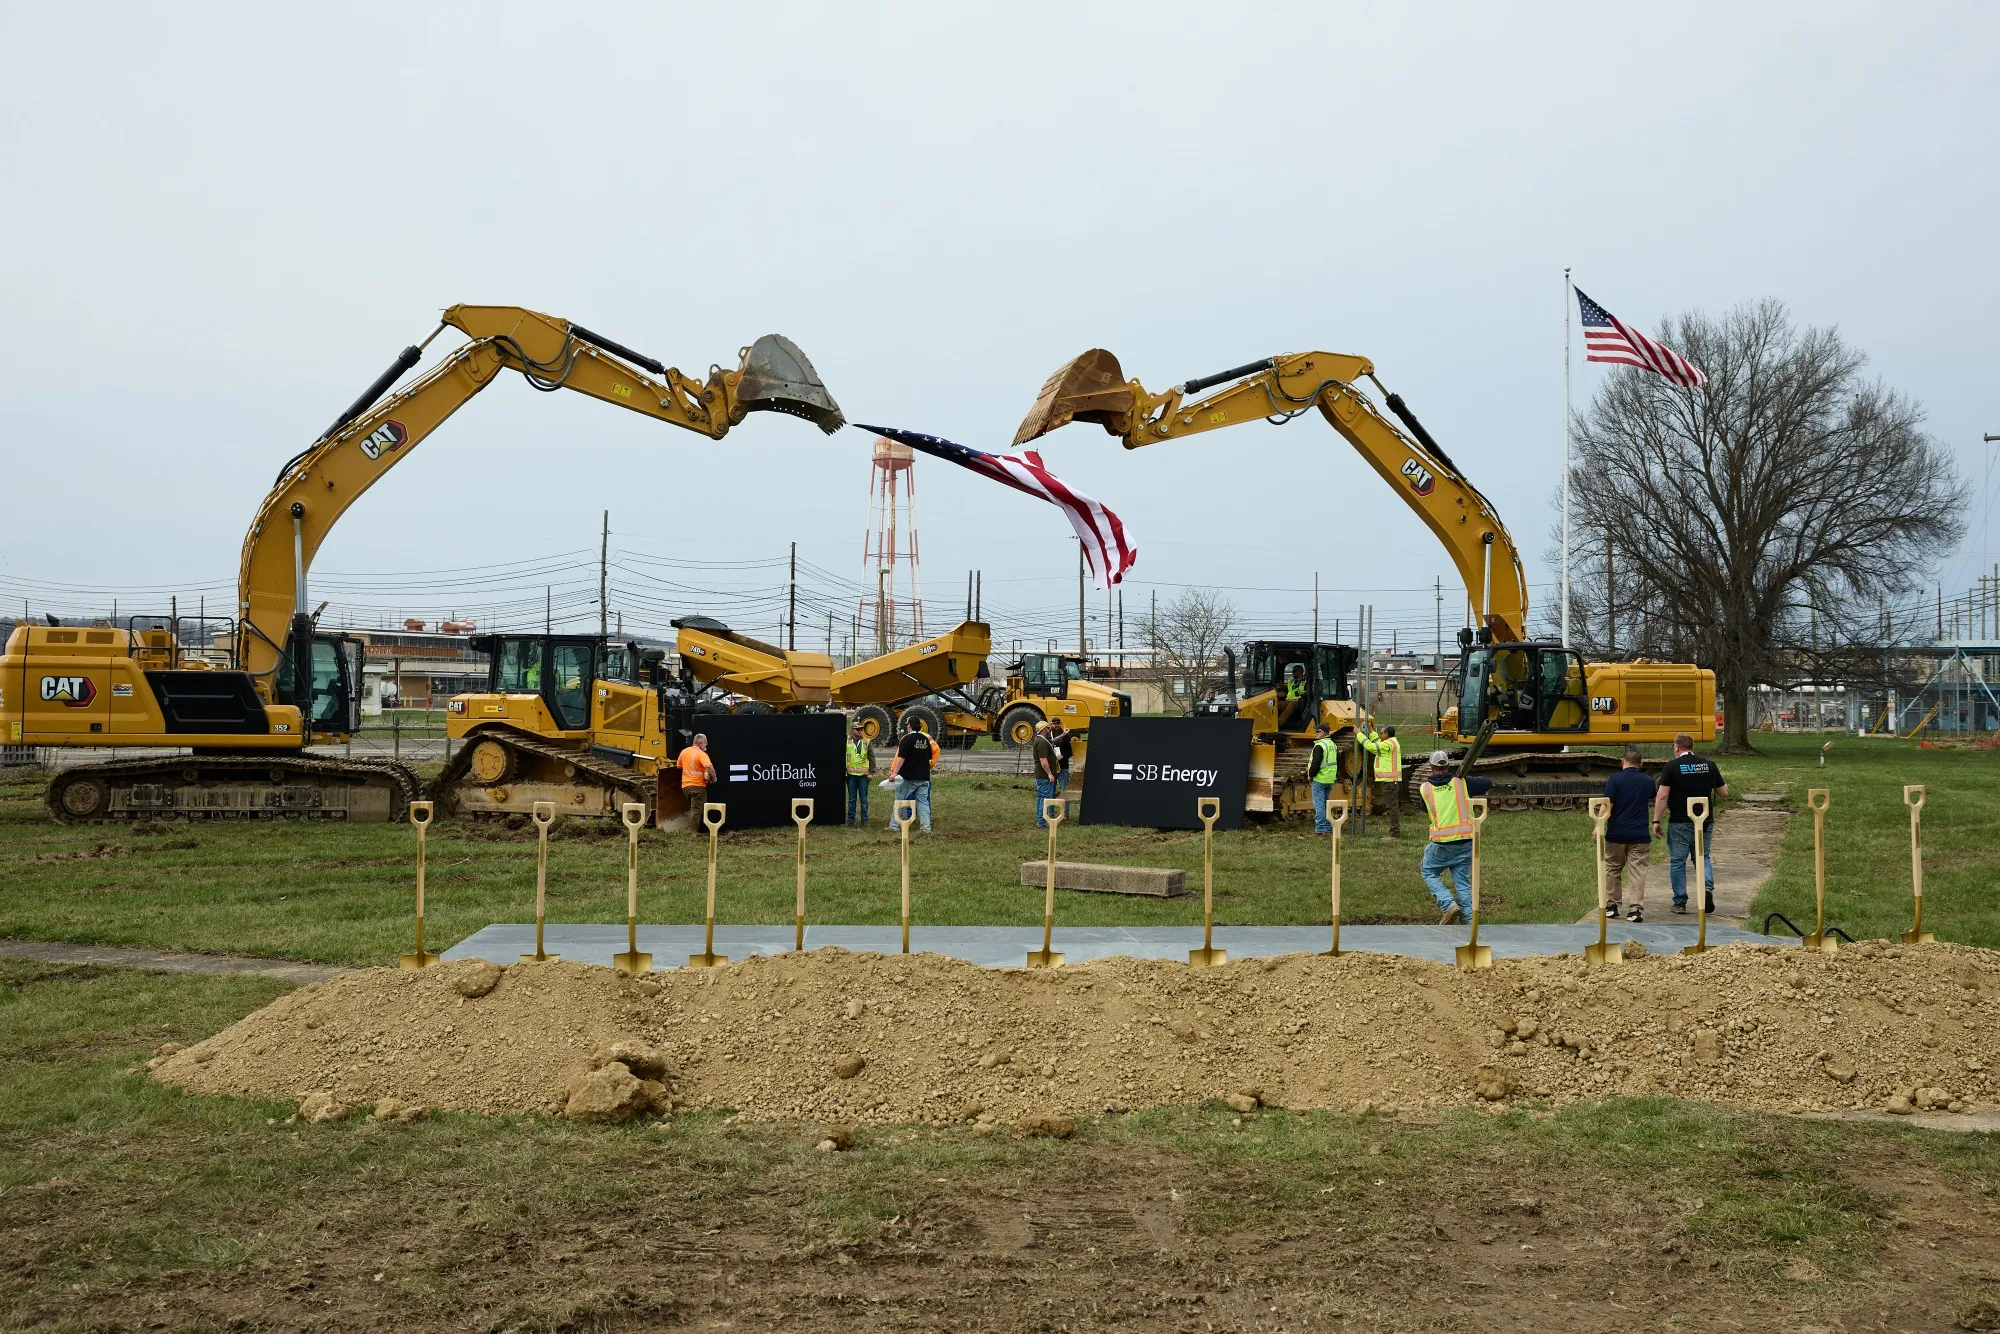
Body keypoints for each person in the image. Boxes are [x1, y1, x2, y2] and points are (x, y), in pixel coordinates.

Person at [1654, 732, 1727, 914]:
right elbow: (1723, 792)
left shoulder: (1672, 766)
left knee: (1678, 861)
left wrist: (1656, 820)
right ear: (1691, 747)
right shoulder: (1709, 765)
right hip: (1704, 821)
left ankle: (1680, 902)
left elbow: (1663, 795)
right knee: (1703, 856)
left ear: (1677, 747)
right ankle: (1707, 889)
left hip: (1680, 821)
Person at [1417, 750, 1492, 924]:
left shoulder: (1425, 789)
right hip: (1466, 841)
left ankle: (1448, 904)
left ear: (1431, 767)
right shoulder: (1462, 783)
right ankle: (1468, 920)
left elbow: (1424, 808)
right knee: (1462, 882)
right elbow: (1487, 782)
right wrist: (1463, 778)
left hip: (1442, 844)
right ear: (1447, 765)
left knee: (1428, 871)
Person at [1601, 746, 1655, 922]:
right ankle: (1635, 910)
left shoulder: (1614, 779)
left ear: (1622, 762)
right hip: (1639, 834)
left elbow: (1608, 805)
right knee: (1637, 872)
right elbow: (1652, 796)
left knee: (1612, 868)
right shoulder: (1648, 781)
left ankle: (1611, 905)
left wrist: (1598, 826)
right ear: (1641, 763)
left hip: (1616, 833)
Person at [887, 715, 939, 834]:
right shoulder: (925, 739)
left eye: (907, 725)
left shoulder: (906, 739)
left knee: (899, 800)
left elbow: (901, 758)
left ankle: (894, 826)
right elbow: (929, 757)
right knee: (923, 803)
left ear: (909, 725)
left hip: (908, 777)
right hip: (924, 777)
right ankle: (926, 828)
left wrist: (894, 773)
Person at [1355, 717, 1403, 838]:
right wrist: (1371, 730)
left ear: (1386, 734)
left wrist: (1359, 734)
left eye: (1381, 732)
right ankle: (1394, 832)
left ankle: (1394, 834)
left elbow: (1371, 746)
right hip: (1390, 781)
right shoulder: (1389, 742)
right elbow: (1377, 741)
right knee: (1392, 806)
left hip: (1390, 781)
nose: (1380, 734)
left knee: (1392, 807)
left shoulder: (1388, 744)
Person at [676, 733, 717, 831]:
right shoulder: (702, 754)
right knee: (696, 810)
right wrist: (714, 778)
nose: (706, 745)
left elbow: (679, 766)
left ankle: (689, 829)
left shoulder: (684, 752)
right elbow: (709, 767)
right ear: (700, 742)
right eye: (705, 743)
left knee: (693, 809)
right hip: (697, 786)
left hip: (685, 787)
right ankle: (691, 834)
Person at [1307, 718, 1341, 835]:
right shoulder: (1333, 745)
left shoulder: (1319, 746)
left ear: (1322, 732)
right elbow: (1337, 762)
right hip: (1330, 779)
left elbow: (1316, 764)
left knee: (1319, 805)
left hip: (1320, 779)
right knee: (1326, 803)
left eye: (1317, 732)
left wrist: (1310, 775)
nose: (1315, 734)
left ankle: (1321, 829)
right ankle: (1327, 827)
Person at [1032, 720, 1063, 827]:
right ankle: (1041, 821)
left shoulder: (1042, 740)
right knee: (1044, 797)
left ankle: (1041, 819)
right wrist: (1050, 774)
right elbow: (1043, 760)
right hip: (1044, 775)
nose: (1049, 729)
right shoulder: (1042, 742)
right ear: (1044, 729)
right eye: (1047, 728)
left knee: (1042, 797)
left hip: (1042, 774)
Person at [844, 719, 874, 826]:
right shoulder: (846, 742)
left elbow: (872, 758)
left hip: (863, 776)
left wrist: (871, 772)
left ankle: (864, 820)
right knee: (852, 799)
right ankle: (850, 821)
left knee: (863, 799)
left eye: (861, 729)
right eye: (857, 729)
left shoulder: (867, 742)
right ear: (852, 730)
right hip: (851, 776)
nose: (859, 731)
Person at [1276, 663, 1309, 730]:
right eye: (1292, 671)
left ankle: (1279, 724)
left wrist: (1300, 693)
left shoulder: (1306, 682)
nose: (1292, 673)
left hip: (1299, 702)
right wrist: (1281, 687)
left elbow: (1308, 692)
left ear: (1300, 671)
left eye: (1294, 671)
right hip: (1287, 701)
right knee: (1275, 704)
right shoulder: (1291, 682)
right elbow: (1288, 690)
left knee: (1292, 705)